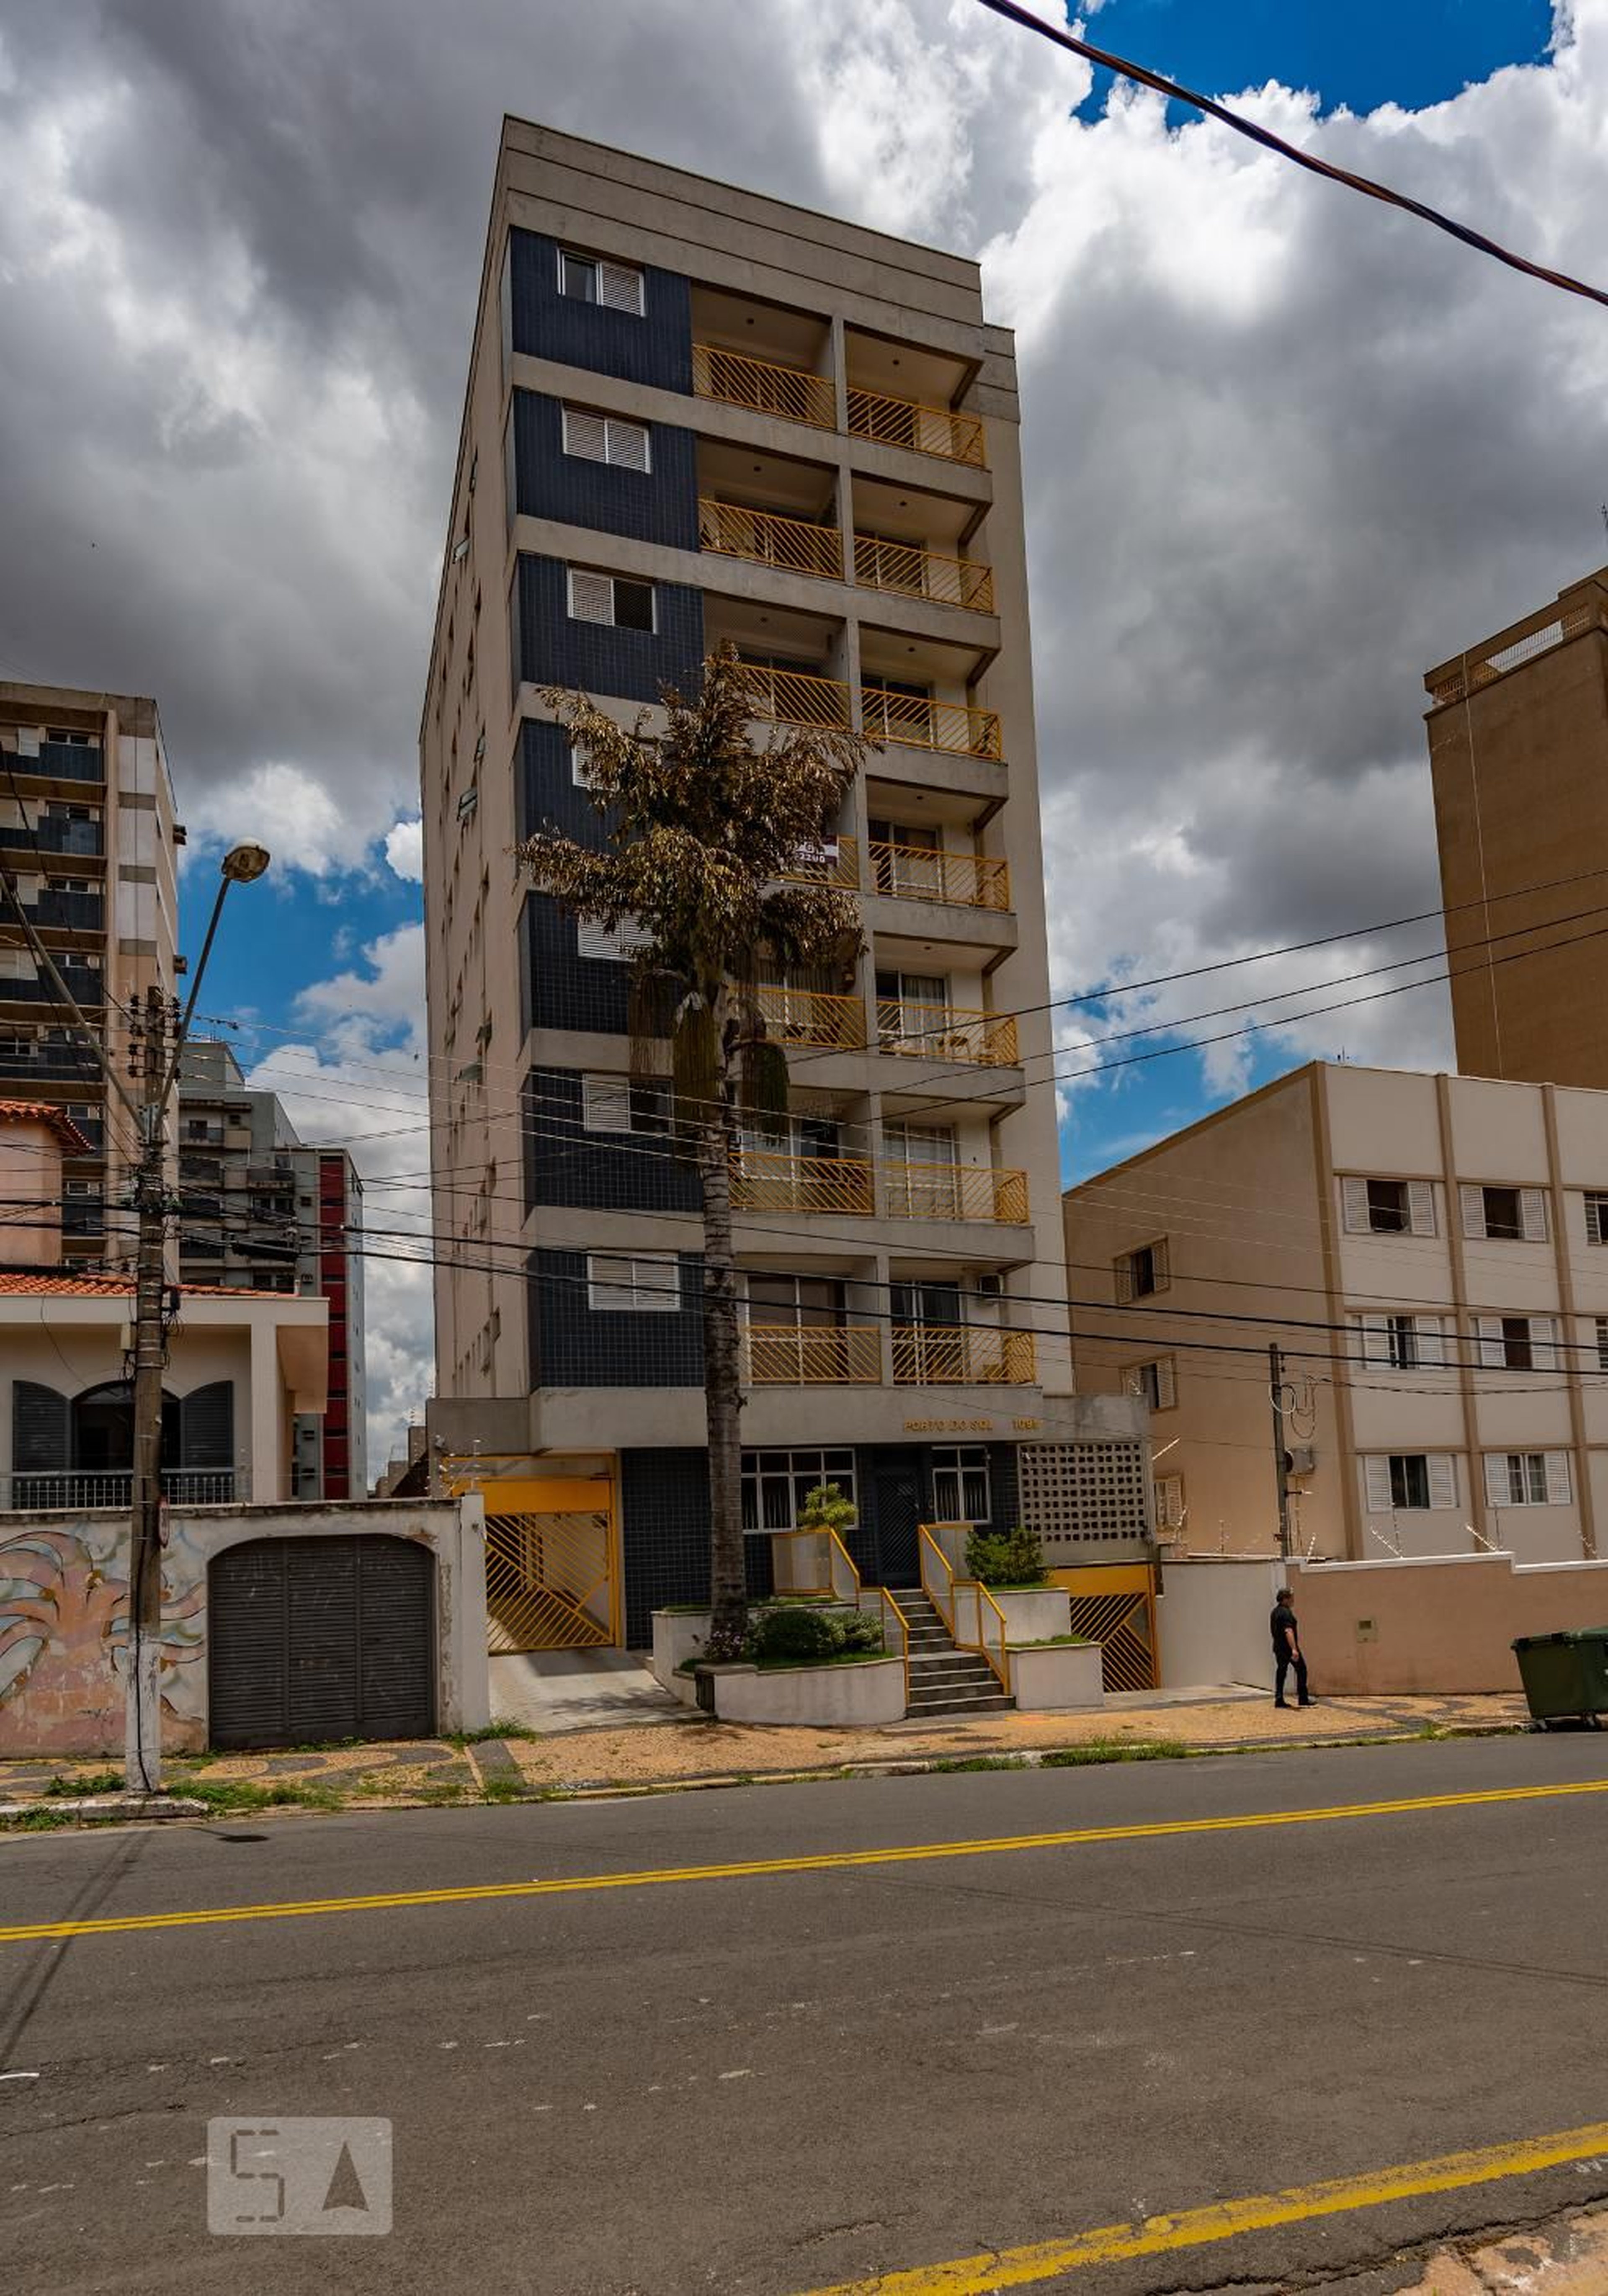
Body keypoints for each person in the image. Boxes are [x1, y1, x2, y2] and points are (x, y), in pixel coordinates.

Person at [1270, 1585, 1310, 1709]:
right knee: (1302, 1670)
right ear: (1285, 1599)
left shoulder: (1275, 1612)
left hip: (1278, 1648)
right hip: (1288, 1648)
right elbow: (1288, 1631)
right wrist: (1294, 1649)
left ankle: (1279, 1699)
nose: (1293, 1600)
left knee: (1281, 1672)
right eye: (1291, 1598)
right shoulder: (1286, 1613)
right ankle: (1303, 1698)